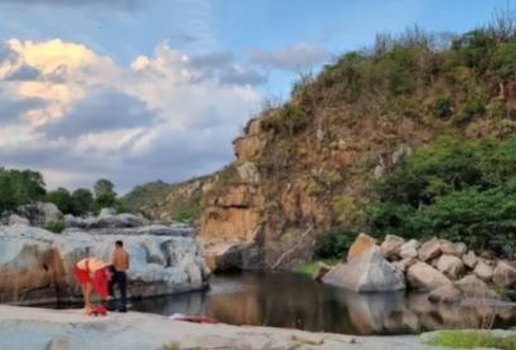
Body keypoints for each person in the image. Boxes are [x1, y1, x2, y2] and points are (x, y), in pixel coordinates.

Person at [109, 240, 130, 312]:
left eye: (116, 245)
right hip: (123, 272)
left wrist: (112, 271)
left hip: (116, 272)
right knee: (123, 290)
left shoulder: (115, 252)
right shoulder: (126, 253)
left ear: (117, 245)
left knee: (109, 286)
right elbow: (127, 266)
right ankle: (123, 305)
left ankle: (112, 303)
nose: (115, 246)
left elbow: (113, 262)